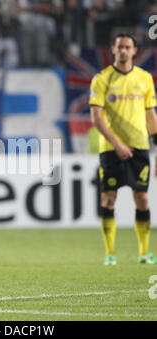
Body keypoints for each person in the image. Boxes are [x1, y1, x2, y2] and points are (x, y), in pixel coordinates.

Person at [90, 32, 157, 266]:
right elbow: (97, 118)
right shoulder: (101, 79)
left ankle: (144, 252)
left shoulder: (145, 79)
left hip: (139, 147)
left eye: (128, 47)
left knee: (142, 198)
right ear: (113, 49)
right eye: (120, 47)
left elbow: (151, 115)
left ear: (135, 51)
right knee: (108, 199)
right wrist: (117, 144)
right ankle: (110, 253)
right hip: (110, 149)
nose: (124, 51)